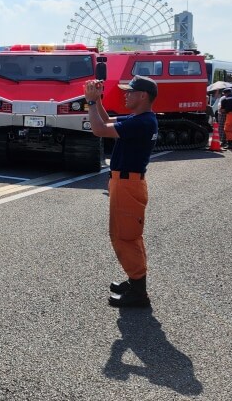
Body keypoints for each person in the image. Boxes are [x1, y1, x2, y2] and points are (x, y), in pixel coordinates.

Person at [84, 75, 158, 308]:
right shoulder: (140, 118)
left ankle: (138, 292)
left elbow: (98, 129)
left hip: (128, 184)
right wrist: (99, 101)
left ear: (143, 96)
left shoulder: (142, 122)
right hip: (125, 182)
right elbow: (106, 122)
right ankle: (135, 281)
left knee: (124, 236)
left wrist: (92, 102)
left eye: (130, 91)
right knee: (129, 234)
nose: (126, 94)